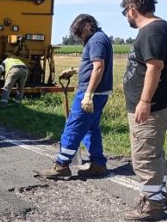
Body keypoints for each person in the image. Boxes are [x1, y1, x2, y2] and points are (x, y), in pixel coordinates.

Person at [120, 0, 167, 222]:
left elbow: (154, 66)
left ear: (132, 9)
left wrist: (144, 101)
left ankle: (153, 205)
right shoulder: (157, 28)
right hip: (154, 106)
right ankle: (159, 194)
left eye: (125, 12)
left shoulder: (152, 31)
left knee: (144, 157)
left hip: (151, 108)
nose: (126, 17)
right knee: (154, 154)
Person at [37, 14, 113, 178]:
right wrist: (74, 70)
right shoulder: (99, 38)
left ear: (87, 25)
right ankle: (98, 164)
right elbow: (93, 66)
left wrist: (88, 95)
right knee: (91, 129)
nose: (79, 37)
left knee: (73, 127)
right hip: (99, 93)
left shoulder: (96, 40)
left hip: (92, 93)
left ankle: (62, 165)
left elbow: (99, 68)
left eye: (79, 33)